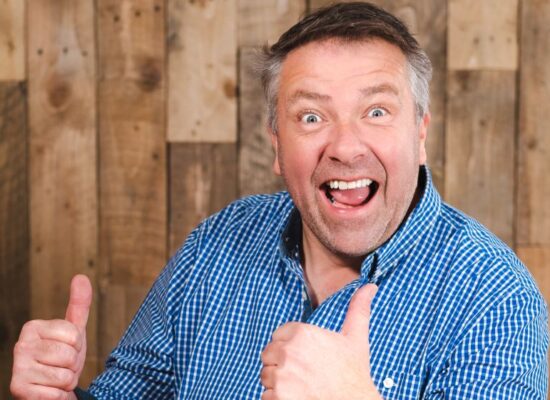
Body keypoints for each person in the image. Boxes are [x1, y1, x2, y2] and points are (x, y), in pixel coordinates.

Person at [11, 2, 548, 399]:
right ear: (275, 145)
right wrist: (58, 394)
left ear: (421, 134)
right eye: (311, 116)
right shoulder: (215, 247)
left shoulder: (495, 299)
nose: (345, 147)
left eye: (376, 112)